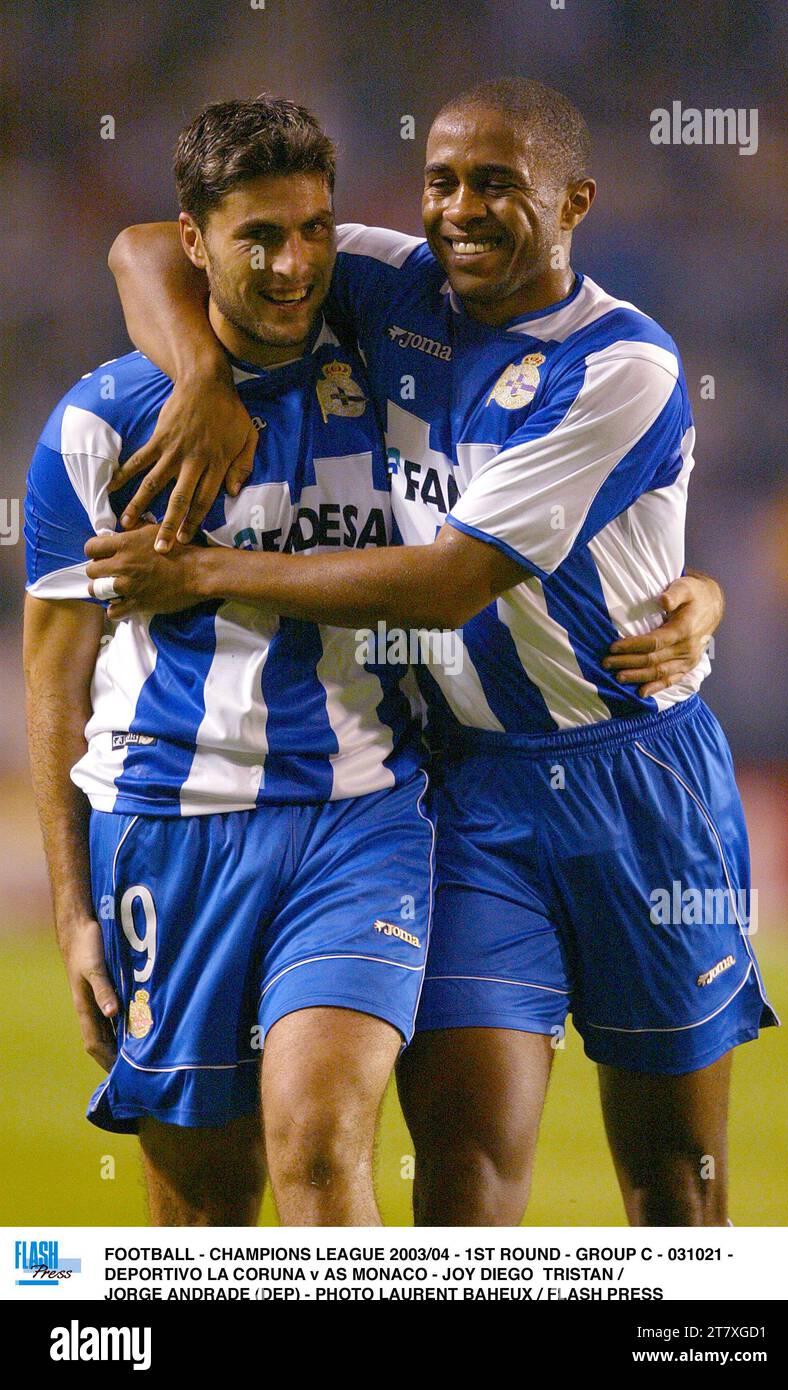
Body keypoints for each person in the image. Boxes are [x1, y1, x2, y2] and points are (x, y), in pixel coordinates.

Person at [98, 79, 773, 1228]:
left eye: (496, 184)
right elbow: (146, 246)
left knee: (673, 1184)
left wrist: (207, 570)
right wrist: (204, 380)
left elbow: (453, 578)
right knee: (459, 1184)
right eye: (441, 181)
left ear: (574, 201)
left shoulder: (622, 364)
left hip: (638, 778)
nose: (458, 208)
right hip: (468, 796)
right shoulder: (392, 283)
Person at [23, 96, 435, 1228]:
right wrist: (70, 907)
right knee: (205, 1213)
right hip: (167, 826)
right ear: (194, 240)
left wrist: (694, 592)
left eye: (313, 228)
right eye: (258, 235)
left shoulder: (394, 394)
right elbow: (56, 673)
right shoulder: (101, 426)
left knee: (318, 1141)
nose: (295, 262)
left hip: (361, 814)